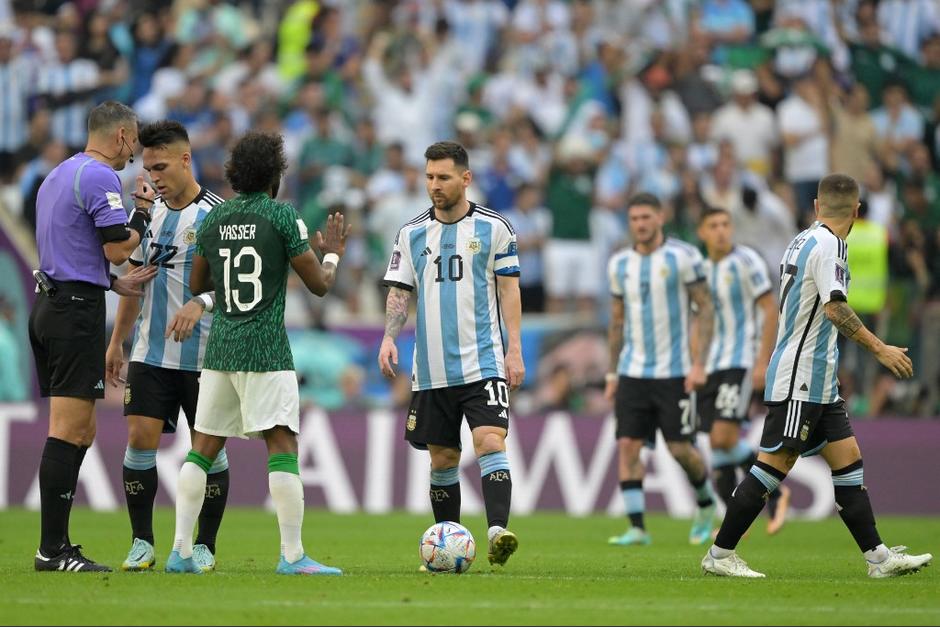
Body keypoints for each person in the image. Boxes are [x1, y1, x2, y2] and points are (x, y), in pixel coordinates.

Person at [702, 174, 933, 578]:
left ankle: (878, 559)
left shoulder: (802, 239)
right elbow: (835, 308)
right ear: (857, 212)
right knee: (774, 465)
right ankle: (720, 554)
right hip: (801, 375)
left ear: (816, 206)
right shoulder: (832, 245)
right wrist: (880, 348)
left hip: (819, 379)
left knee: (849, 461)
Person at [164, 131, 348, 575]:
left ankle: (180, 552)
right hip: (266, 350)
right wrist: (331, 256)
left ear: (235, 174)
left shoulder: (214, 218)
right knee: (282, 445)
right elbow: (319, 287)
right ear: (274, 175)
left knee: (202, 449)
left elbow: (197, 286)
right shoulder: (282, 216)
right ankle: (292, 556)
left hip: (221, 350)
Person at [378, 141, 525, 568]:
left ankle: (497, 532)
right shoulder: (411, 233)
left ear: (465, 178)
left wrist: (514, 349)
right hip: (431, 369)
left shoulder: (495, 228)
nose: (434, 185)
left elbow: (509, 291)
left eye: (443, 177)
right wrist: (389, 337)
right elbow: (399, 291)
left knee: (490, 439)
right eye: (429, 177)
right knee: (442, 458)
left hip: (484, 362)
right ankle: (448, 545)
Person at [28, 101, 158, 572]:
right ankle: (51, 550)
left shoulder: (58, 174)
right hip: (74, 313)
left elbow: (72, 243)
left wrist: (107, 282)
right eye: (134, 139)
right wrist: (142, 212)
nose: (134, 151)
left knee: (81, 429)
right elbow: (118, 247)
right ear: (121, 135)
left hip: (52, 304)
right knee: (68, 430)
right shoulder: (101, 176)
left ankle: (58, 544)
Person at [104, 120, 228, 573]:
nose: (153, 177)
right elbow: (134, 281)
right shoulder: (147, 215)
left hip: (205, 356)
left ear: (185, 160)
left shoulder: (218, 216)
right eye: (148, 168)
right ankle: (142, 541)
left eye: (161, 167)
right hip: (150, 352)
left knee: (209, 450)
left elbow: (234, 286)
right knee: (140, 438)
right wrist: (116, 341)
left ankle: (205, 544)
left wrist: (200, 302)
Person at [604, 193, 718, 547]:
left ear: (660, 217)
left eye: (646, 217)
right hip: (632, 371)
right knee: (627, 444)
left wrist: (700, 364)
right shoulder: (619, 263)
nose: (640, 224)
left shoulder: (683, 256)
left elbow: (705, 308)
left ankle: (705, 503)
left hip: (675, 372)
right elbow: (617, 322)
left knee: (680, 449)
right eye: (634, 218)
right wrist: (612, 374)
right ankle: (637, 528)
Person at [696, 207, 790, 535]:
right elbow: (700, 321)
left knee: (723, 437)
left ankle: (776, 493)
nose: (721, 230)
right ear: (702, 232)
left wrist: (763, 361)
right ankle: (734, 518)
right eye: (713, 225)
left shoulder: (746, 260)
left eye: (725, 224)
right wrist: (695, 364)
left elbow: (769, 309)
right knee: (717, 443)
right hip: (711, 365)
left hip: (741, 359)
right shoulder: (701, 270)